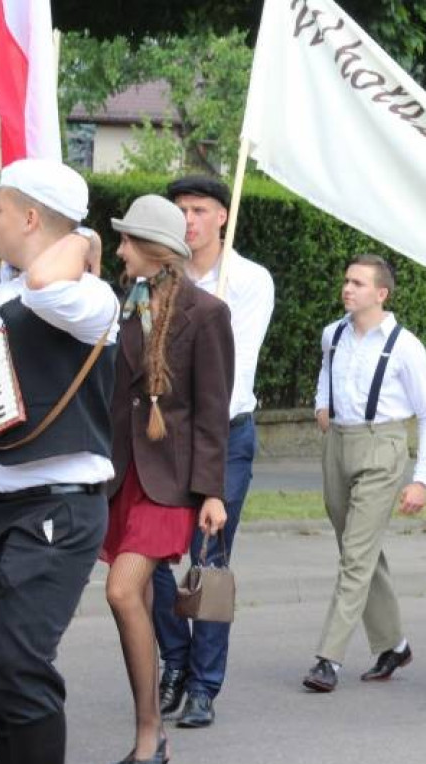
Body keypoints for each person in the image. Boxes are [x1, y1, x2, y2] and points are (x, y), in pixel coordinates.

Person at [0, 159, 118, 764]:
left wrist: (81, 239)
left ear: (31, 217)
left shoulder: (88, 293)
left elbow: (45, 283)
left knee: (21, 667)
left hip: (55, 506)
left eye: (0, 208)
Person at [100, 195, 233, 764]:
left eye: (128, 240)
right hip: (123, 477)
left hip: (171, 483)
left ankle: (151, 732)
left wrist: (213, 492)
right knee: (131, 597)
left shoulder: (207, 313)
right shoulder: (123, 307)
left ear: (154, 249)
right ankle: (149, 739)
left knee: (121, 590)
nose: (119, 250)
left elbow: (212, 410)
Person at [151, 175, 275, 729]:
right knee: (149, 554)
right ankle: (175, 657)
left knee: (210, 561)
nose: (188, 220)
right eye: (180, 209)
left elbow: (231, 370)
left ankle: (203, 685)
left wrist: (205, 314)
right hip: (166, 436)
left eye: (199, 209)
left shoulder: (248, 281)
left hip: (224, 435)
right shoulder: (161, 276)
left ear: (223, 215)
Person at [303, 254, 426, 693]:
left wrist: (421, 479)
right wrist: (321, 404)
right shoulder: (333, 334)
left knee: (355, 556)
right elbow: (325, 372)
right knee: (359, 551)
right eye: (346, 280)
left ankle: (328, 659)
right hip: (337, 444)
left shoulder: (406, 346)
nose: (348, 288)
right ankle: (394, 644)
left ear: (381, 293)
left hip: (383, 446)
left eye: (358, 283)